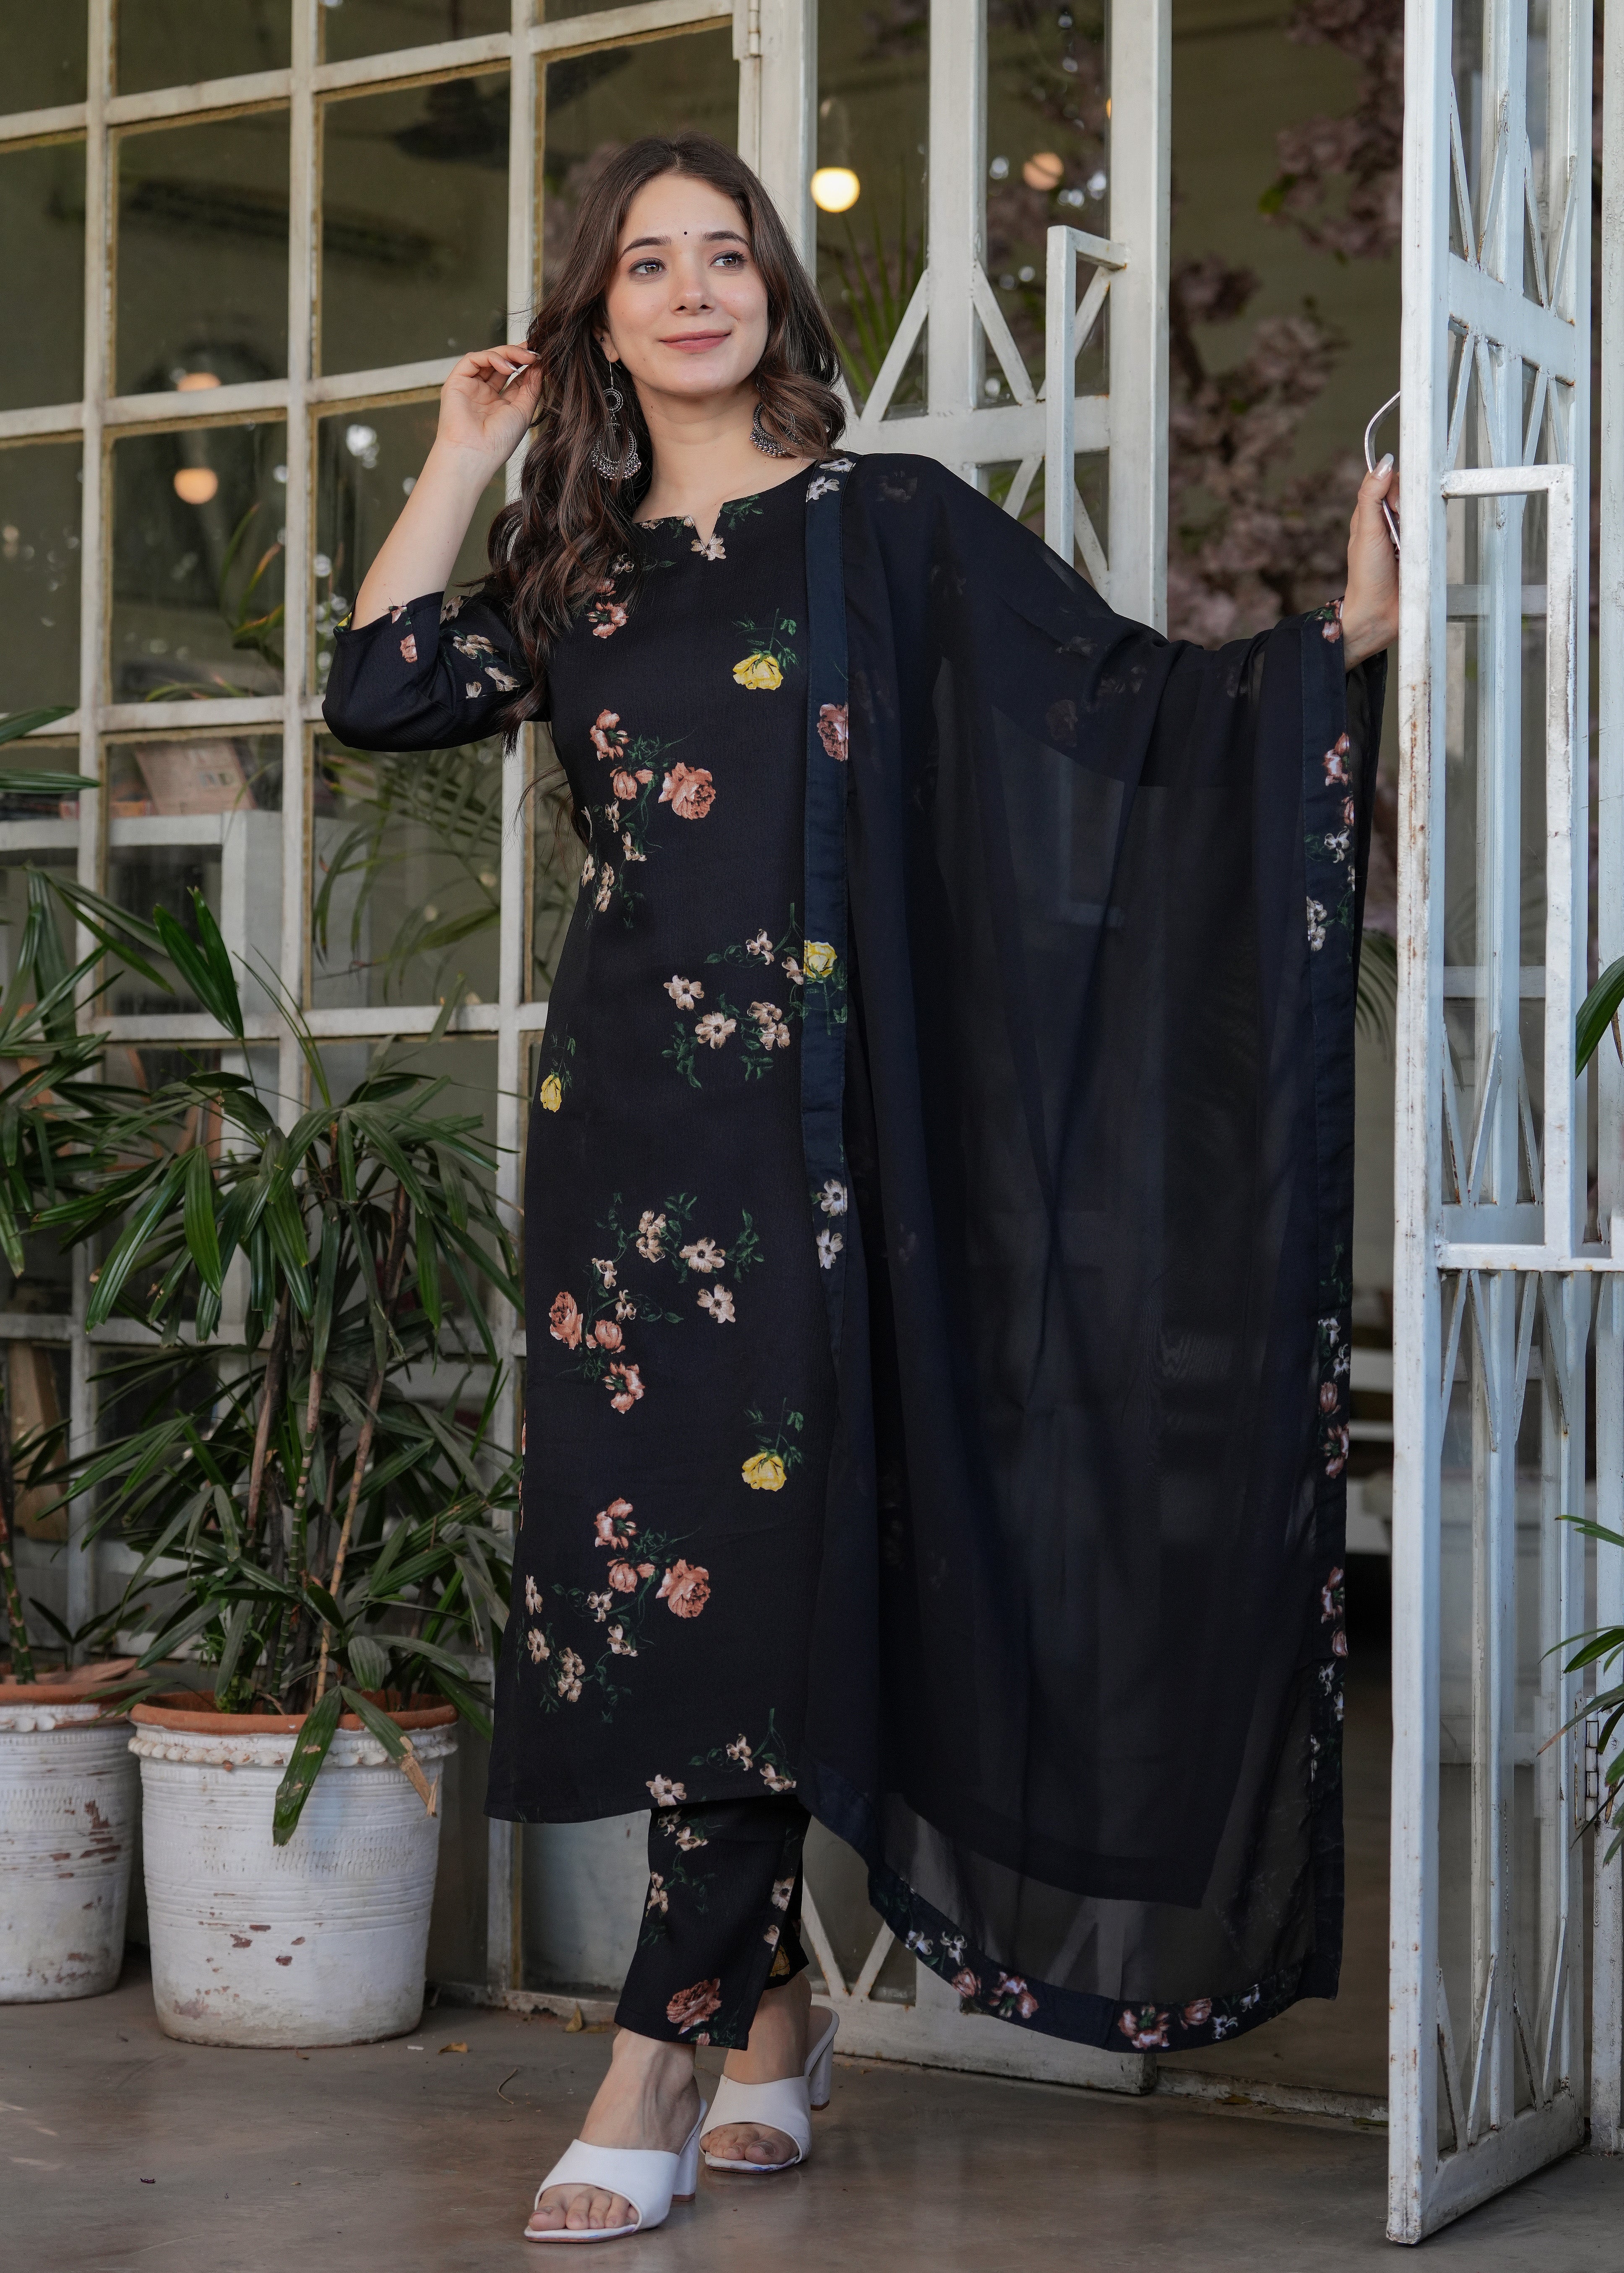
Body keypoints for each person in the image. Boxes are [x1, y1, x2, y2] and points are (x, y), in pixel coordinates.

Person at [322, 133, 1398, 2244]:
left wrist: (1335, 643)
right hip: (630, 1155)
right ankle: (769, 2026)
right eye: (649, 265)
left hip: (826, 1155)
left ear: (774, 303)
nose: (696, 290)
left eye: (729, 256)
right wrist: (460, 450)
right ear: (594, 314)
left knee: (758, 1569)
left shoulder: (875, 528)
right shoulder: (576, 575)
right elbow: (376, 689)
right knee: (668, 1590)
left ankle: (654, 2035)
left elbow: (1128, 712)